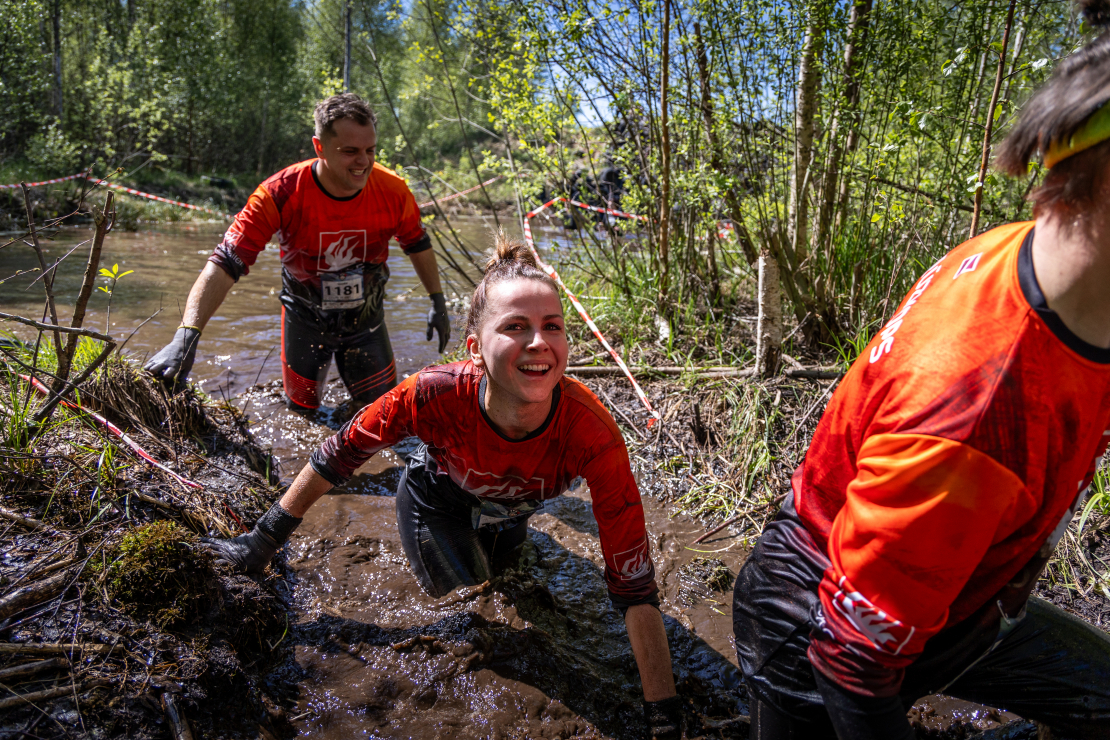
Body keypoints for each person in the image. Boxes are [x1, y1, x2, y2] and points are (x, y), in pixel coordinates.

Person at [731, 2, 1110, 738]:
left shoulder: (1022, 249)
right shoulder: (977, 412)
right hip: (814, 636)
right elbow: (852, 661)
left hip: (959, 601)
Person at [203, 233, 686, 739]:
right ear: (475, 350)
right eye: (515, 327)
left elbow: (634, 583)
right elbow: (341, 452)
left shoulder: (591, 432)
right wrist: (262, 542)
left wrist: (663, 716)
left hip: (511, 515)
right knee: (473, 616)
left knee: (512, 584)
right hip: (436, 504)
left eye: (552, 326)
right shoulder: (433, 394)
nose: (538, 342)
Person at [144, 94, 450, 410]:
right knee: (302, 412)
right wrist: (187, 335)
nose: (363, 162)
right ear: (320, 147)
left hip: (366, 323)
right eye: (350, 151)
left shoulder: (393, 190)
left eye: (370, 150)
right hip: (305, 321)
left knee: (384, 414)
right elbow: (225, 263)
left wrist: (437, 301)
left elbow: (416, 243)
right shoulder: (279, 193)